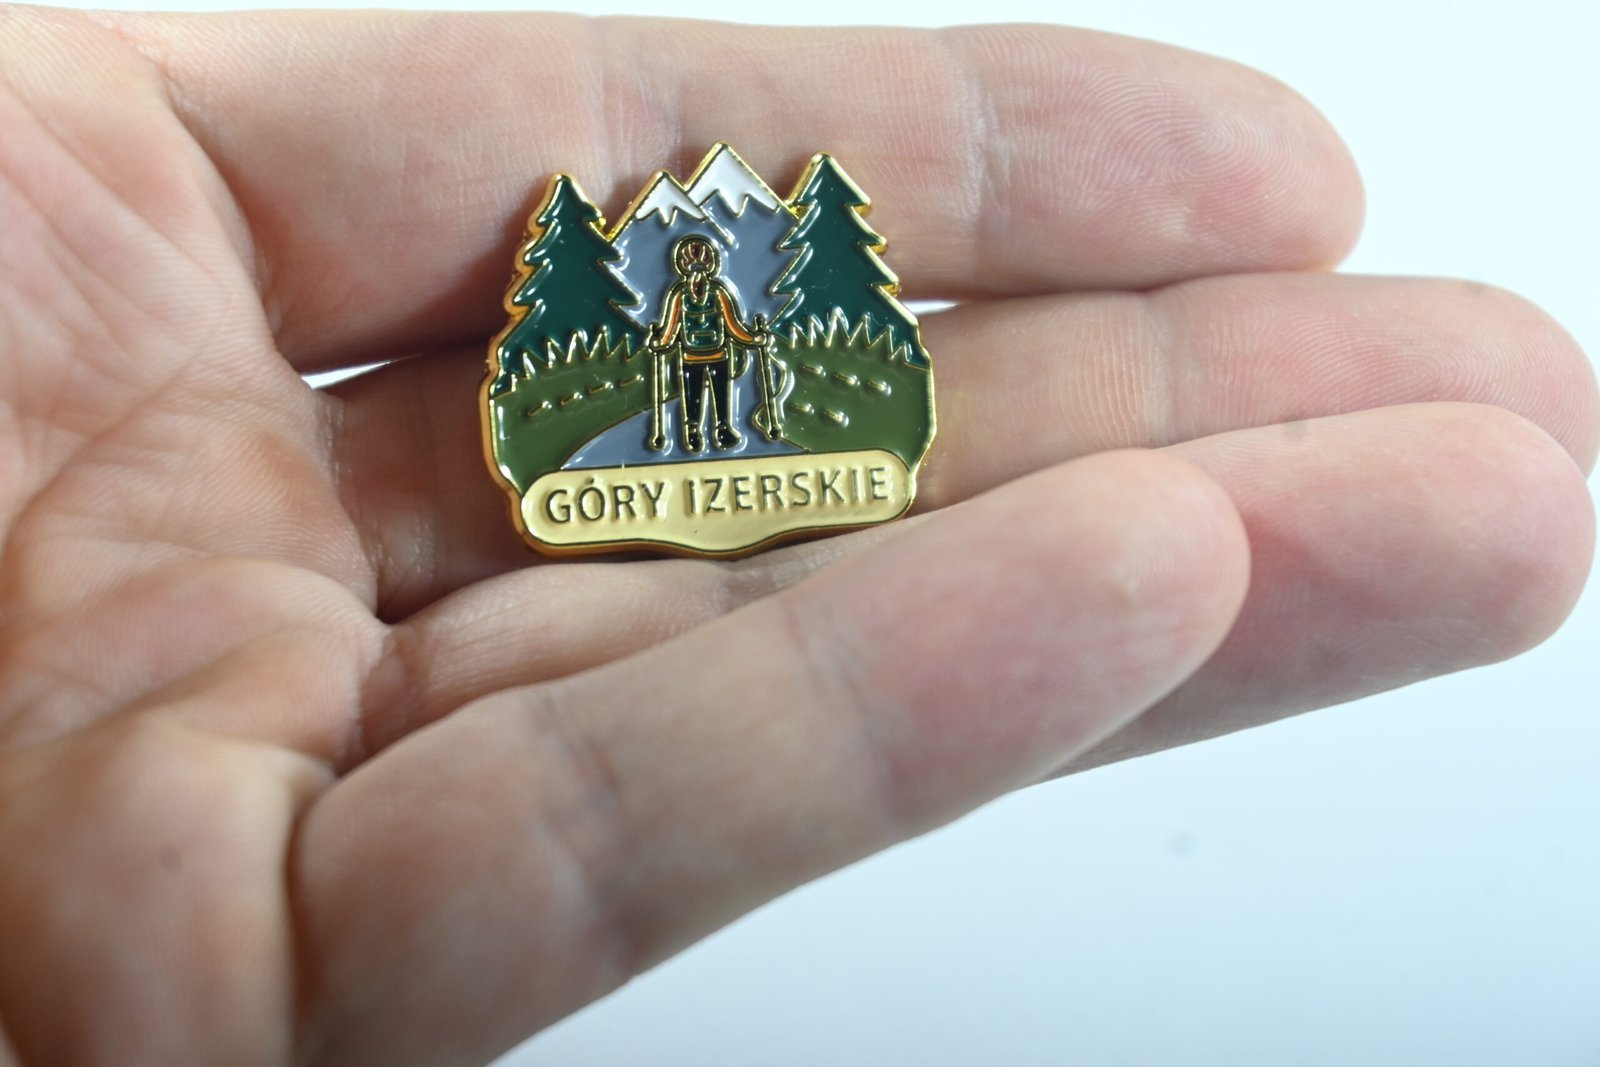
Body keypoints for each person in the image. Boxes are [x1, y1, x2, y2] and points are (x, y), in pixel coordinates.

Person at [0, 8, 1592, 1067]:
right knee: (692, 411)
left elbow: (723, 317)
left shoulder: (719, 285)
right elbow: (670, 317)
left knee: (731, 408)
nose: (698, 262)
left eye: (703, 262)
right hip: (677, 384)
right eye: (693, 263)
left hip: (726, 378)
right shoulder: (678, 282)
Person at [646, 236, 769, 452]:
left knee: (706, 395)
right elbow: (732, 326)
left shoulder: (690, 294)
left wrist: (660, 342)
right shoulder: (706, 293)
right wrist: (754, 339)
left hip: (701, 355)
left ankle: (706, 430)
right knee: (706, 394)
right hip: (705, 355)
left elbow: (673, 329)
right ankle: (707, 430)